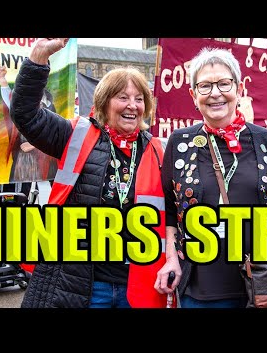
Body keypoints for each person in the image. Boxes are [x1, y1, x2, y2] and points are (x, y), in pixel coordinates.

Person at [10, 38, 166, 308]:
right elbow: (26, 115)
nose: (132, 105)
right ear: (105, 102)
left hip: (138, 284)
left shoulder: (157, 149)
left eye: (139, 99)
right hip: (85, 285)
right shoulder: (76, 133)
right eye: (123, 97)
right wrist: (38, 57)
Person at [154, 47, 267, 308]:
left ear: (240, 88)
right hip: (202, 286)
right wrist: (171, 258)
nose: (215, 93)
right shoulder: (180, 142)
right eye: (205, 86)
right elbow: (168, 206)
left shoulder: (265, 139)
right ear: (193, 95)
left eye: (224, 83)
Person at [0, 66, 58, 184]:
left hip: (42, 156)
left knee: (49, 184)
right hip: (23, 157)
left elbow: (52, 132)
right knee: (21, 189)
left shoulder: (49, 105)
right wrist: (2, 79)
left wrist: (34, 145)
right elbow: (10, 101)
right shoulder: (22, 102)